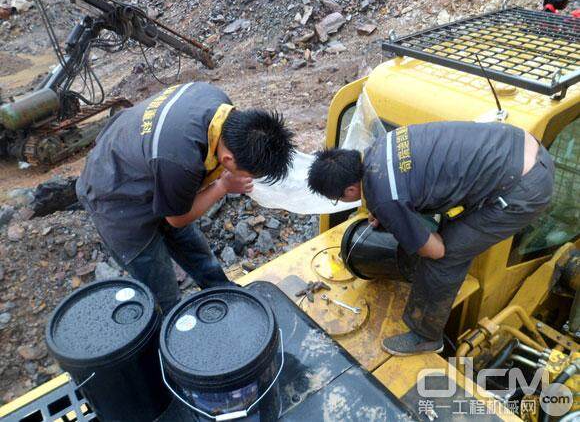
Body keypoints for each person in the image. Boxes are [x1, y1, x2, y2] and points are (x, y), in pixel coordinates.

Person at [307, 121, 553, 355]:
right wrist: (391, 212)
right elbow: (413, 180)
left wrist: (399, 221)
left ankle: (426, 337)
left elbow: (435, 251)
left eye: (338, 198)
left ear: (350, 190)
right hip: (517, 144)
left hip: (525, 191)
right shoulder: (380, 145)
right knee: (443, 229)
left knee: (446, 255)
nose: (342, 201)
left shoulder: (385, 197)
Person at [77, 82, 295, 313]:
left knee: (195, 250)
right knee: (162, 289)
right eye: (249, 174)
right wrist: (222, 186)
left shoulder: (220, 105)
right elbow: (176, 219)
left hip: (144, 160)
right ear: (229, 161)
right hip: (114, 193)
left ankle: (225, 295)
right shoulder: (181, 161)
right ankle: (171, 323)